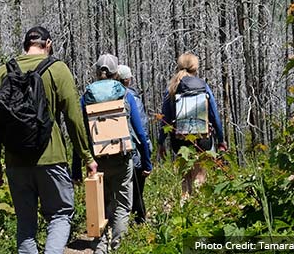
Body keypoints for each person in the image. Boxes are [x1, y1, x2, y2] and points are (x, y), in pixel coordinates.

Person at [0, 26, 98, 254]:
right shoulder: (58, 70)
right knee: (60, 215)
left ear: (25, 45)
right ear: (48, 44)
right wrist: (87, 157)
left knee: (25, 225)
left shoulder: (2, 73)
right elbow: (73, 119)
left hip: (15, 161)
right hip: (52, 158)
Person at [82, 54, 152, 254]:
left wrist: (77, 165)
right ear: (116, 74)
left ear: (97, 72)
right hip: (122, 159)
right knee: (122, 205)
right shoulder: (126, 94)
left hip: (96, 160)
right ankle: (119, 247)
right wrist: (147, 162)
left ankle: (100, 247)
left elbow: (81, 132)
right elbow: (139, 132)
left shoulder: (86, 96)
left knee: (100, 205)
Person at [159, 52, 226, 199]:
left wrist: (161, 142)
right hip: (203, 139)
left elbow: (165, 118)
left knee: (185, 179)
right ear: (195, 68)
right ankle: (201, 211)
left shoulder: (172, 88)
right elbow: (214, 115)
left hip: (180, 140)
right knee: (200, 177)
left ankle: (186, 209)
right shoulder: (203, 86)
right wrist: (221, 140)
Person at [117, 64, 151, 224]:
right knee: (137, 193)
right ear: (128, 80)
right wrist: (147, 159)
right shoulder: (133, 98)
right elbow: (142, 130)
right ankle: (138, 224)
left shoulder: (107, 97)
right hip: (134, 154)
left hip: (111, 154)